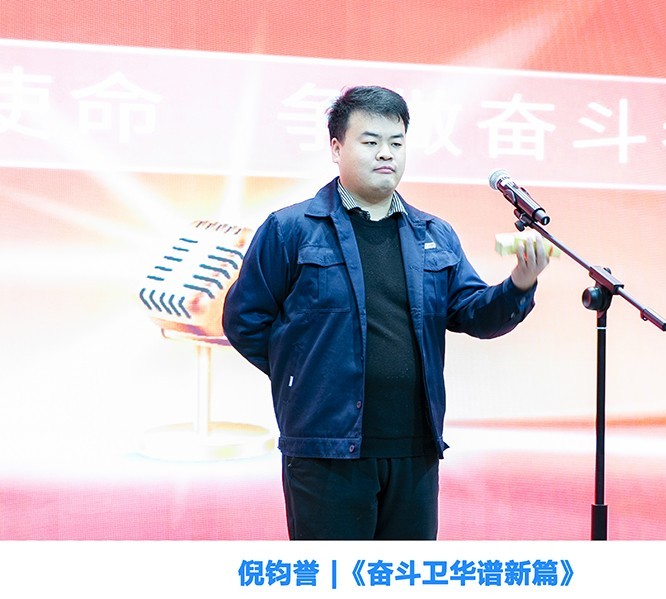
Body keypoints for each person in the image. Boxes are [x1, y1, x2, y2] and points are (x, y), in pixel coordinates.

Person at [222, 85, 551, 540]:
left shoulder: (433, 233)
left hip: (416, 449)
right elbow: (244, 320)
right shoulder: (290, 229)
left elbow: (475, 315)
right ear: (336, 148)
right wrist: (304, 375)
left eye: (396, 142)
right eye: (370, 141)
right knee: (332, 574)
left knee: (404, 574)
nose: (385, 154)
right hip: (326, 450)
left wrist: (520, 283)